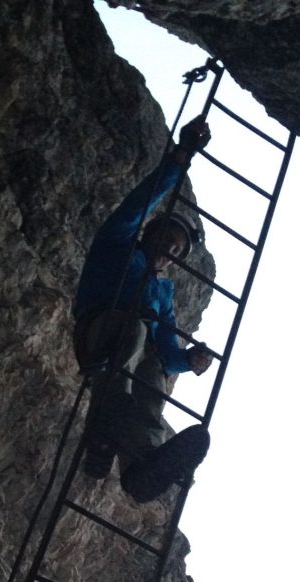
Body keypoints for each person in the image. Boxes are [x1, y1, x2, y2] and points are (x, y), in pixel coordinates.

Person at [73, 116, 214, 503]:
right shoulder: (117, 244)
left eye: (175, 251)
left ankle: (140, 464)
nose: (168, 252)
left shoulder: (162, 292)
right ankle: (104, 429)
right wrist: (179, 157)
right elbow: (138, 204)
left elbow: (166, 347)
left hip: (129, 351)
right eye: (165, 240)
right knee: (133, 330)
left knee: (154, 374)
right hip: (100, 330)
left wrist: (188, 360)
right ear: (149, 233)